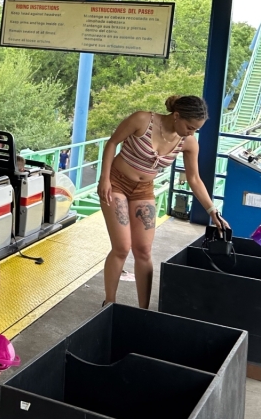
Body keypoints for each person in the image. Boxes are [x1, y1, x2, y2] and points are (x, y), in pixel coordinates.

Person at [97, 95, 228, 308]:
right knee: (122, 247)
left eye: (196, 129)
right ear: (176, 115)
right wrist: (104, 178)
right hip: (117, 182)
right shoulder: (142, 120)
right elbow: (112, 143)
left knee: (143, 250)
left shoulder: (188, 142)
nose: (191, 132)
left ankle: (144, 308)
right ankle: (109, 302)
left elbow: (194, 179)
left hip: (143, 189)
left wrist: (212, 210)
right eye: (189, 126)